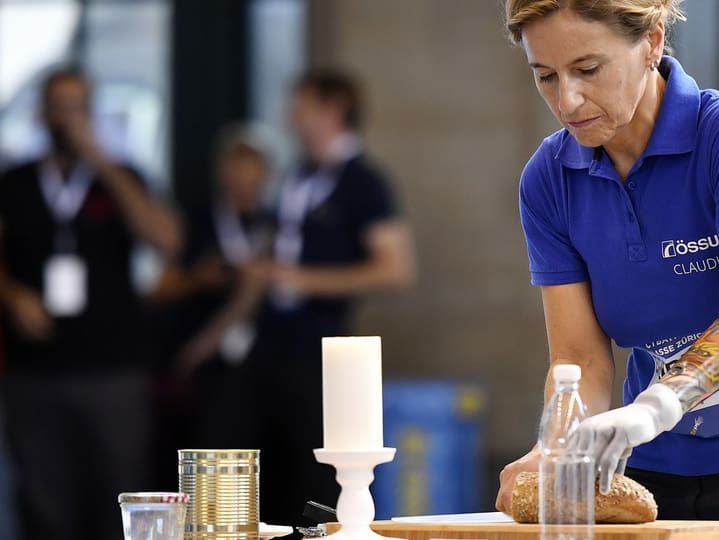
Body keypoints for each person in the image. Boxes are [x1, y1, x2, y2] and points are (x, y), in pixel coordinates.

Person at [494, 2, 719, 540]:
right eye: (545, 76)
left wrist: (654, 406)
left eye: (588, 70)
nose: (567, 99)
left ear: (651, 41)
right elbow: (579, 361)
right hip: (652, 475)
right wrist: (554, 450)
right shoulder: (549, 180)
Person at [226, 68, 415, 525]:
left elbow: (394, 269)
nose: (291, 116)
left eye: (301, 106)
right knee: (259, 469)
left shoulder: (365, 182)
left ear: (332, 110)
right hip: (269, 343)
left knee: (314, 475)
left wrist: (303, 279)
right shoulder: (296, 177)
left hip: (322, 349)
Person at [0, 66, 181, 540]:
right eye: (58, 107)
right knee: (44, 503)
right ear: (42, 113)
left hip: (112, 370)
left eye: (78, 107)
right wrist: (13, 294)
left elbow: (166, 239)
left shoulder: (121, 178)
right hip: (34, 372)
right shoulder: (14, 183)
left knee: (121, 496)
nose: (67, 119)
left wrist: (102, 161)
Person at [148, 125, 275, 457]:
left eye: (251, 176)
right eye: (235, 175)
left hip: (266, 363)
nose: (243, 186)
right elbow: (159, 289)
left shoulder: (277, 224)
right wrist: (197, 279)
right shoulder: (195, 221)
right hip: (205, 371)